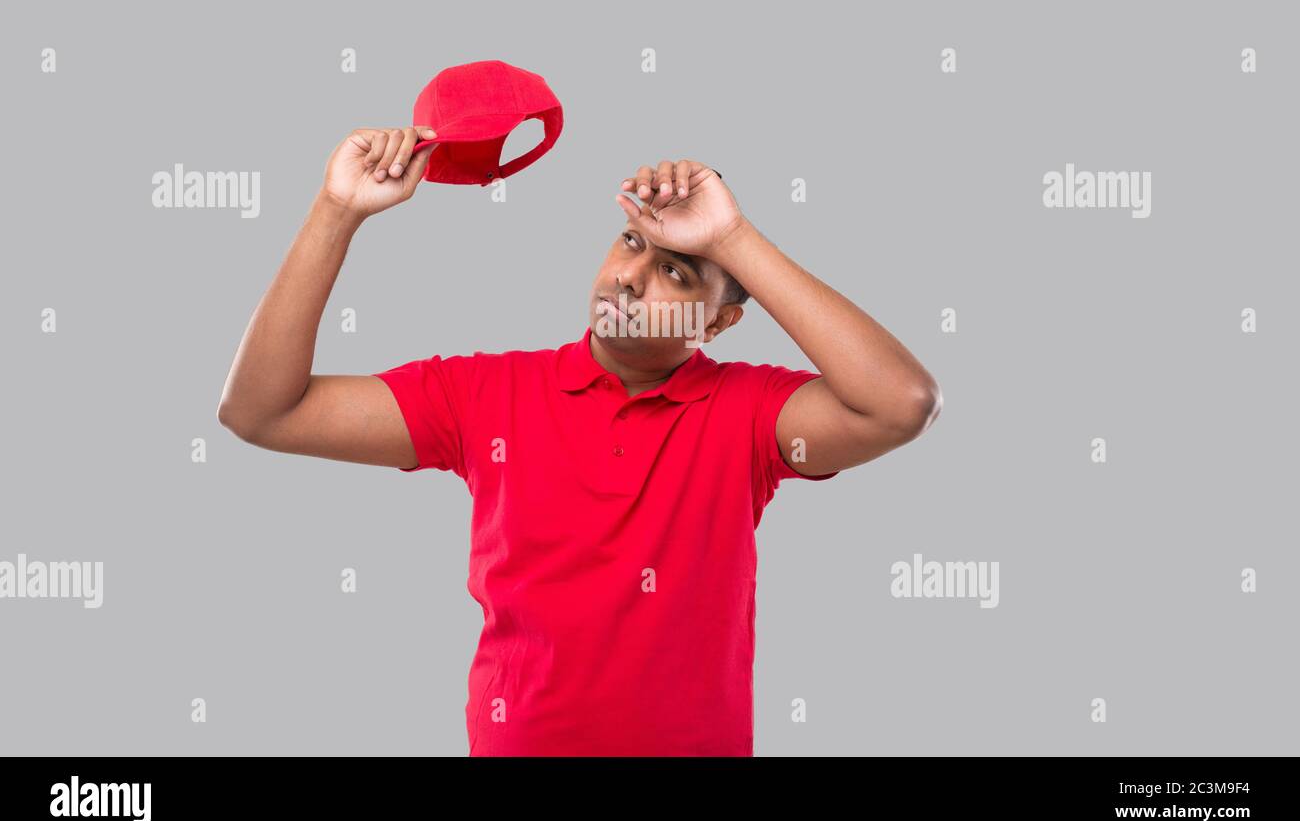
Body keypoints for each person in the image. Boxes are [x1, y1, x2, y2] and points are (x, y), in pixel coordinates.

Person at [217, 125, 942, 756]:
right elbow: (261, 412)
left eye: (675, 273)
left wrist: (730, 240)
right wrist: (337, 210)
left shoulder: (748, 412)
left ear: (717, 326)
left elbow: (901, 403)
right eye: (632, 242)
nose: (630, 280)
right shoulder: (485, 394)